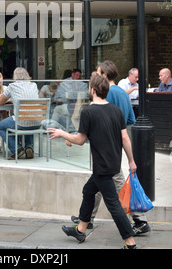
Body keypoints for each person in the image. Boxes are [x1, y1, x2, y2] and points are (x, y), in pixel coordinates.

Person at [48, 74, 138, 249]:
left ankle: (130, 243)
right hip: (112, 163)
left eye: (89, 87)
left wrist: (62, 133)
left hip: (102, 167)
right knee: (88, 191)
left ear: (93, 90)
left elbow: (80, 140)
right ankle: (80, 230)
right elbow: (125, 138)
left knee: (113, 204)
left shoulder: (88, 112)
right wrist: (131, 161)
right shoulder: (115, 110)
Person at [70, 60, 149, 235]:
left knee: (114, 184)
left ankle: (139, 220)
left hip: (104, 145)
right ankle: (86, 219)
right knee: (96, 184)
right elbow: (129, 120)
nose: (96, 76)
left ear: (104, 76)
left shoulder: (108, 93)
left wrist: (76, 134)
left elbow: (97, 114)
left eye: (98, 73)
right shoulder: (122, 92)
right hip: (115, 144)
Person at [0, 67, 39, 159]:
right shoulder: (34, 85)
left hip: (21, 122)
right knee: (28, 118)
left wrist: (11, 99)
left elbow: (0, 102)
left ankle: (17, 149)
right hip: (37, 122)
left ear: (15, 76)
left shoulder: (12, 86)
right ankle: (29, 146)